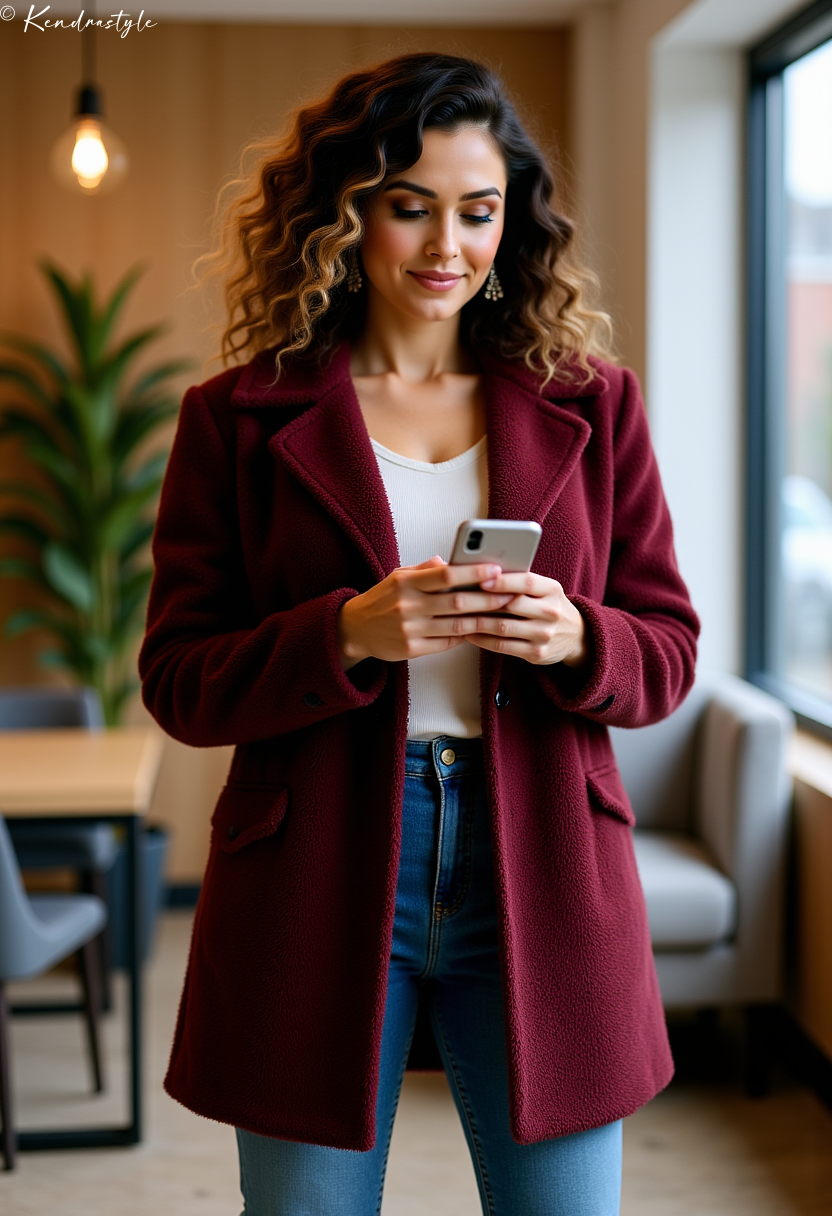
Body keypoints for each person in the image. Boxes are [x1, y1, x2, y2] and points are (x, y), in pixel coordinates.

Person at [139, 52, 699, 1216]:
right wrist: (342, 633)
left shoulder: (591, 403)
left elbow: (668, 648)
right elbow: (179, 682)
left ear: (513, 223)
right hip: (319, 860)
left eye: (478, 210)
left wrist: (577, 637)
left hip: (539, 853)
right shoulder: (236, 419)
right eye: (410, 207)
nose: (448, 244)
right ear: (344, 217)